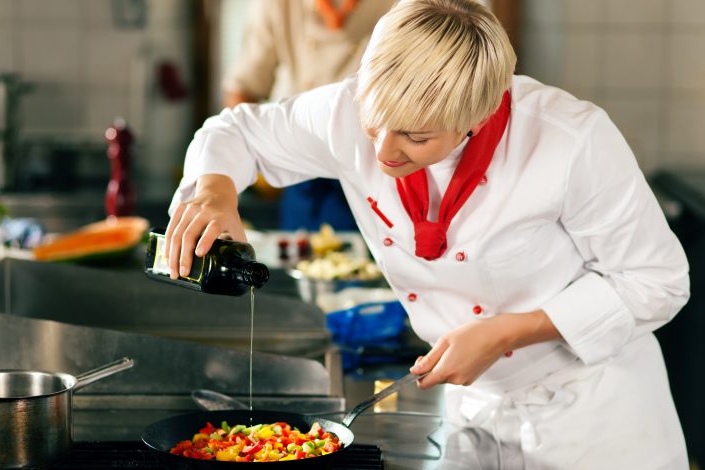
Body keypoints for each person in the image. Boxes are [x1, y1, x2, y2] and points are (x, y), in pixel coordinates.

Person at [165, 0, 691, 467]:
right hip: (471, 407)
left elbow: (658, 281)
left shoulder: (569, 139)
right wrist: (215, 192)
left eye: (416, 137)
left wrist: (505, 332)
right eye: (373, 125)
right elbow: (234, 131)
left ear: (479, 116)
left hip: (592, 414)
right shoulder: (350, 111)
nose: (383, 153)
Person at [223, 0, 396, 231]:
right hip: (304, 173)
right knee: (305, 261)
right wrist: (255, 163)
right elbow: (244, 90)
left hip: (380, 170)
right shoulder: (277, 5)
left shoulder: (403, 4)